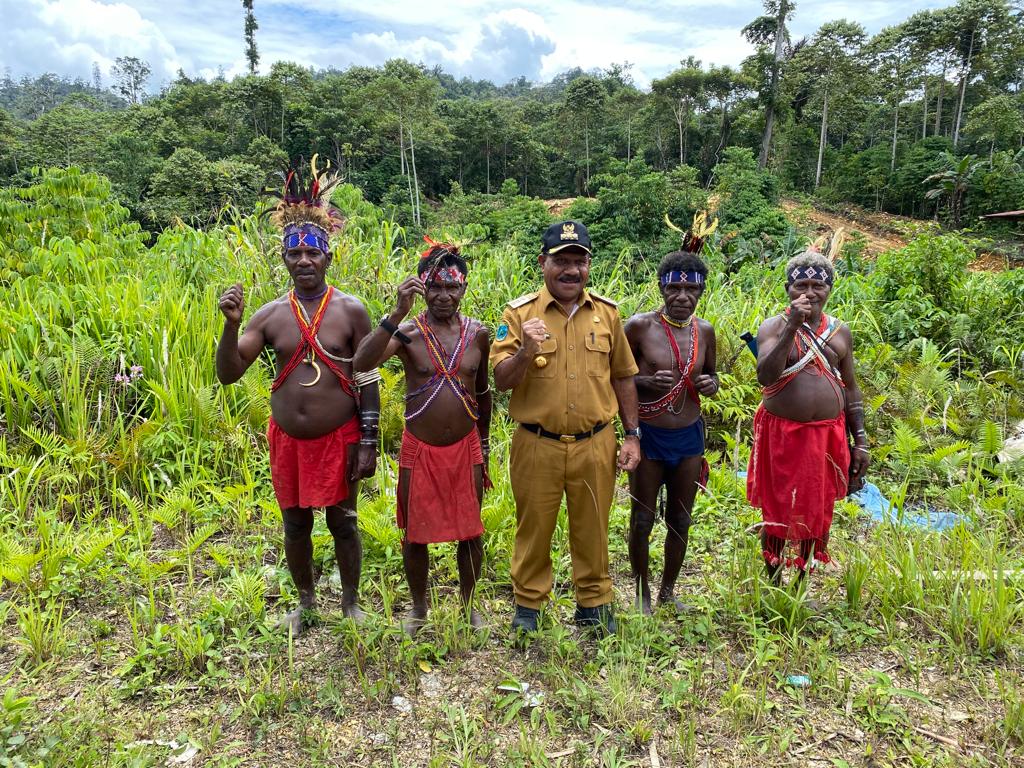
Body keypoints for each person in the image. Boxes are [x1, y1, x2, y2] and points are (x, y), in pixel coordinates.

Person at [216, 160, 380, 635]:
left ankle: (350, 602)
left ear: (328, 257)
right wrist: (230, 328)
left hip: (340, 436)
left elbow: (366, 376)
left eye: (313, 254)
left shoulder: (351, 311)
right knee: (295, 525)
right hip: (288, 439)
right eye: (294, 255)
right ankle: (306, 603)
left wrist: (368, 441)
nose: (304, 262)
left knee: (344, 522)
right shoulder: (268, 316)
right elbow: (229, 374)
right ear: (284, 260)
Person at [491, 220, 641, 638]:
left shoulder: (607, 314)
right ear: (543, 263)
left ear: (588, 266)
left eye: (579, 261)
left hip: (596, 441)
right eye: (561, 261)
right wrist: (526, 351)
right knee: (533, 526)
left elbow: (624, 376)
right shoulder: (519, 315)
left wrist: (633, 434)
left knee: (593, 525)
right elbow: (502, 379)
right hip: (537, 442)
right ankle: (529, 605)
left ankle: (593, 604)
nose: (570, 270)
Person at [352, 239, 491, 637]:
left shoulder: (478, 335)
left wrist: (482, 443)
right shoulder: (408, 333)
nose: (443, 296)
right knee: (415, 532)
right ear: (422, 288)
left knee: (471, 529)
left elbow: (483, 394)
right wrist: (396, 313)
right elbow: (361, 363)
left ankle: (469, 605)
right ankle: (418, 608)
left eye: (452, 287)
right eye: (435, 287)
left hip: (466, 447)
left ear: (464, 289)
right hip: (420, 448)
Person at [746, 240, 869, 583]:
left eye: (819, 286)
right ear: (789, 289)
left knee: (817, 509)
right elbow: (765, 375)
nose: (810, 293)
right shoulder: (773, 327)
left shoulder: (840, 331)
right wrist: (792, 326)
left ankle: (802, 581)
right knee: (779, 504)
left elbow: (851, 387)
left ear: (830, 289)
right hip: (783, 433)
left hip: (827, 435)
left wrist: (860, 440)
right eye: (802, 285)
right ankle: (772, 579)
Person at [625, 213, 719, 616]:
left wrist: (711, 385)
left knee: (681, 518)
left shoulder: (707, 331)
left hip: (689, 435)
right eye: (674, 287)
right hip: (649, 432)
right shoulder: (639, 327)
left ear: (700, 291)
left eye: (690, 289)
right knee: (643, 519)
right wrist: (647, 384)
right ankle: (643, 594)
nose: (682, 296)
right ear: (661, 286)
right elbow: (618, 380)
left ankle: (668, 591)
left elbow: (712, 374)